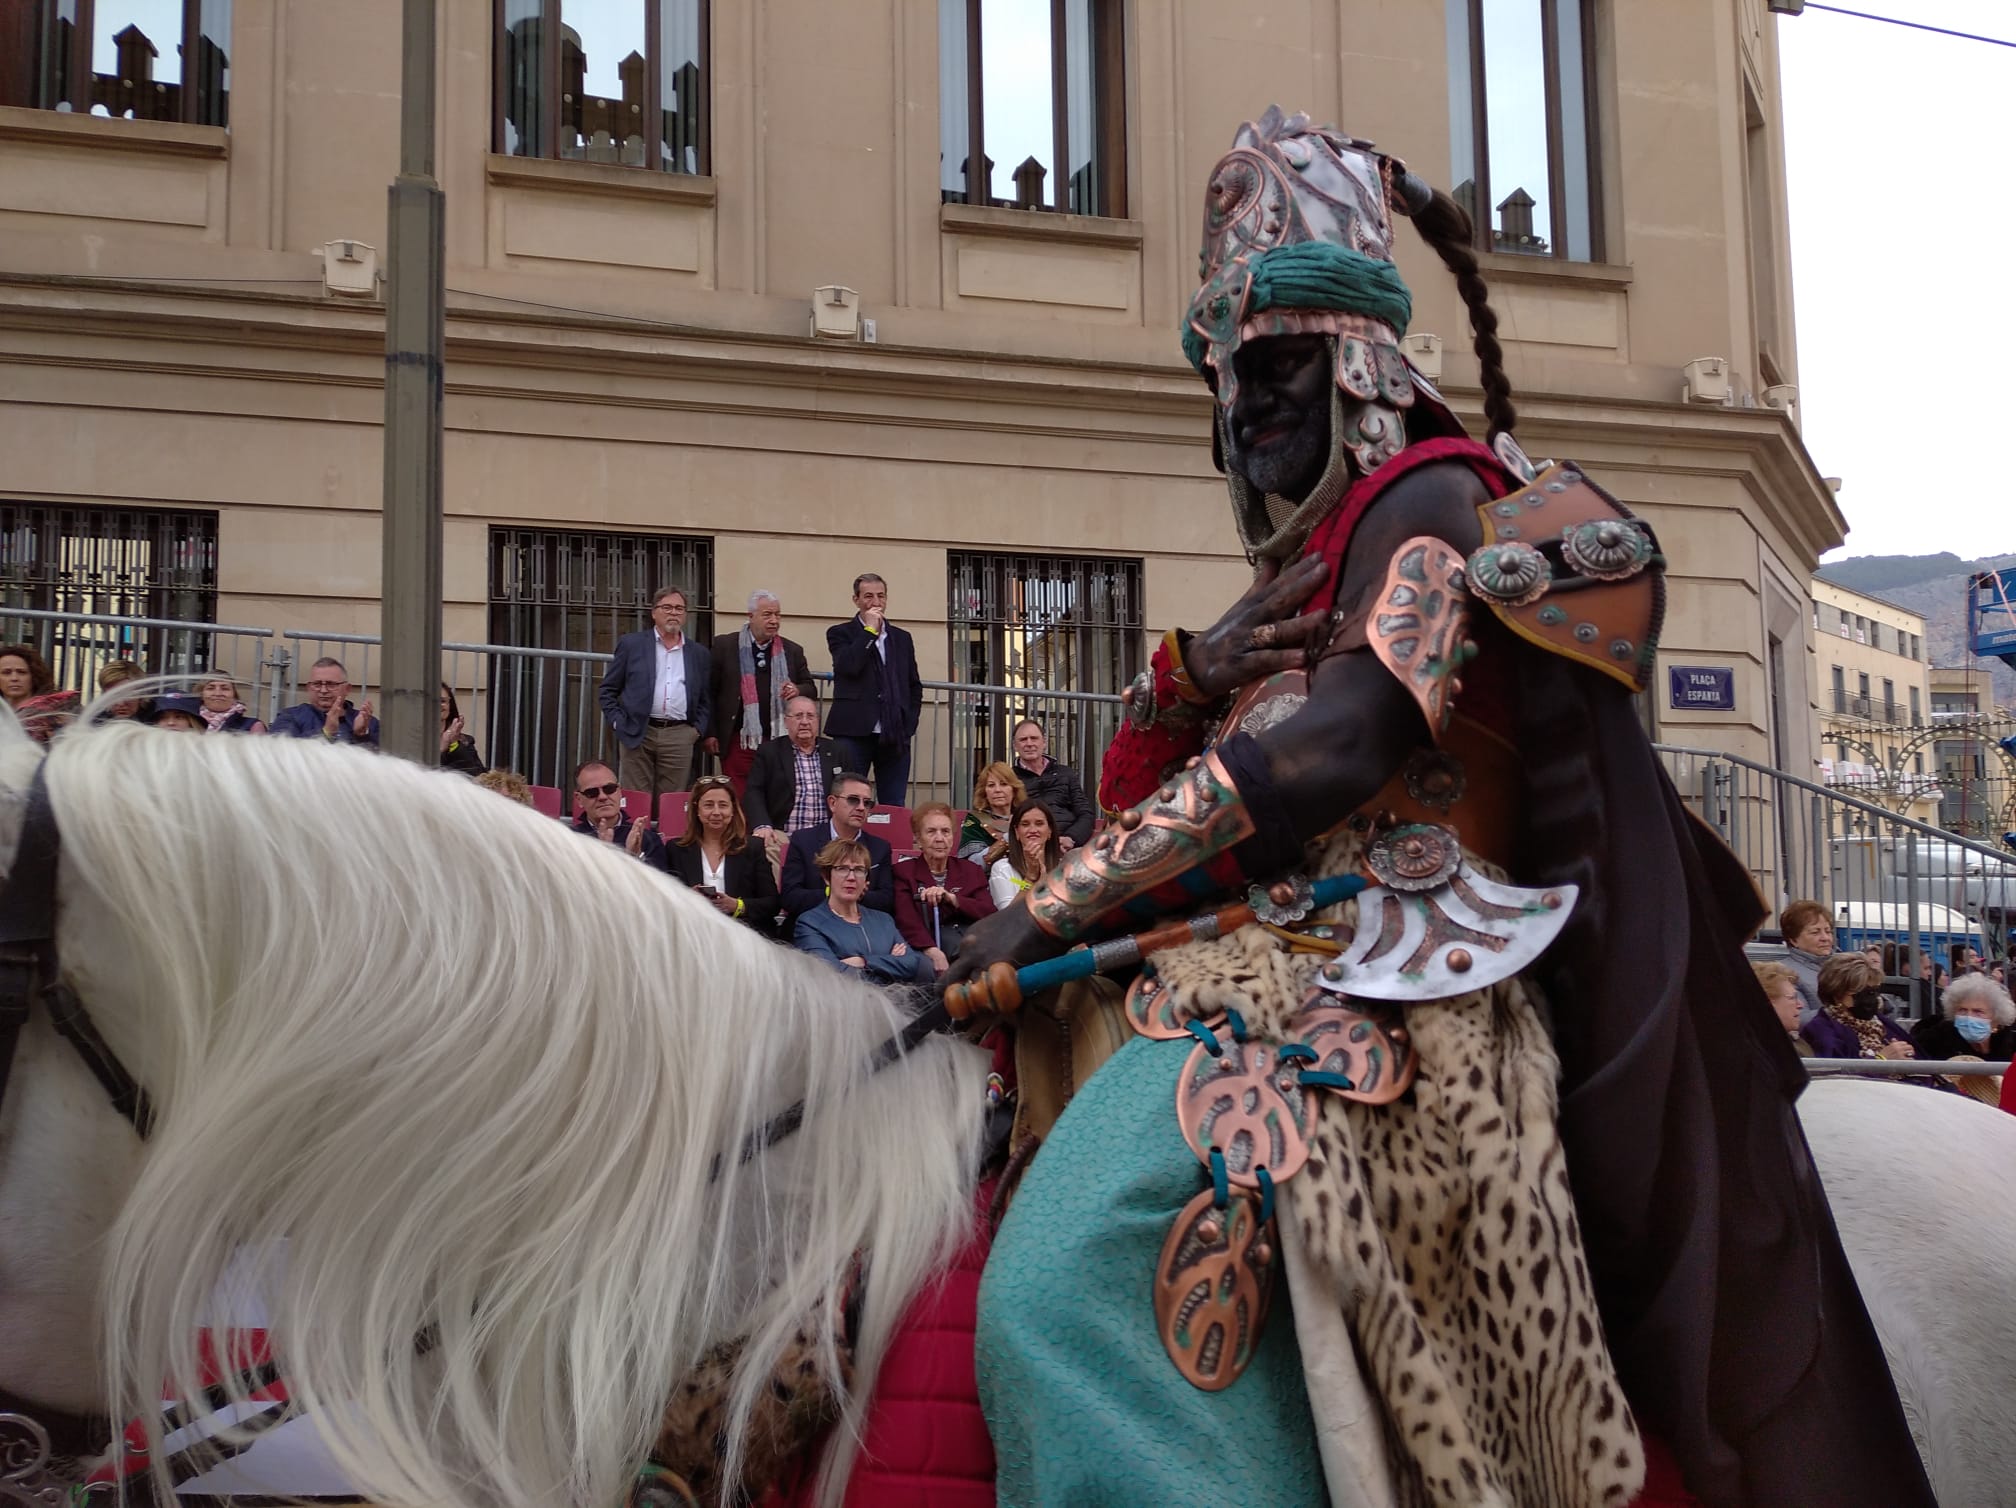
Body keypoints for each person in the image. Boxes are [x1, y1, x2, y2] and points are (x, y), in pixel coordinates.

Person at [948, 108, 1931, 1507]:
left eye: (1275, 365)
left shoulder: (1432, 503)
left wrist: (1038, 910)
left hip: (1398, 992)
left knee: (1063, 1290)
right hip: (1255, 963)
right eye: (1229, 379)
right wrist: (1186, 680)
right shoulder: (1323, 558)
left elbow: (1334, 752)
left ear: (1359, 359)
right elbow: (1182, 784)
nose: (1247, 407)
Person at [598, 586, 712, 802]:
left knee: (672, 801)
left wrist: (696, 730)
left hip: (679, 734)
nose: (674, 613)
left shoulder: (698, 653)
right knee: (636, 799)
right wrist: (617, 722)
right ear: (654, 612)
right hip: (638, 730)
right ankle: (637, 837)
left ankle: (667, 837)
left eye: (679, 608)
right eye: (667, 607)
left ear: (685, 615)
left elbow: (705, 697)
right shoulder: (632, 645)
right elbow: (608, 690)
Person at [706, 590, 816, 797]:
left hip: (778, 739)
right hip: (739, 739)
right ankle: (743, 831)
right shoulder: (726, 646)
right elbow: (710, 692)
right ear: (751, 616)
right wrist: (711, 732)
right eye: (767, 614)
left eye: (777, 614)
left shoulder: (792, 650)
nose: (774, 620)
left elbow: (810, 687)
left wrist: (797, 689)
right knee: (739, 796)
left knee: (774, 794)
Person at [824, 573, 921, 806]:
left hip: (894, 732)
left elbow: (913, 684)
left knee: (893, 802)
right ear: (856, 600)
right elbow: (849, 666)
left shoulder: (901, 638)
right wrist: (869, 631)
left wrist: (908, 723)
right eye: (868, 596)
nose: (875, 602)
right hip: (853, 732)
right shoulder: (840, 633)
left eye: (880, 596)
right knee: (850, 799)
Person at [792, 840, 932, 984]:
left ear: (866, 880)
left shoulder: (883, 920)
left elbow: (911, 963)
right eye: (842, 868)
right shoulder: (810, 923)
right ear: (827, 877)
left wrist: (863, 961)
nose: (851, 877)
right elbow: (832, 974)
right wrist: (890, 963)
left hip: (893, 1002)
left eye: (859, 870)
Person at [666, 775, 781, 933]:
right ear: (696, 809)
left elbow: (772, 903)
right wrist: (688, 898)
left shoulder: (752, 848)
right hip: (694, 934)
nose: (716, 812)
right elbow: (666, 903)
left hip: (743, 935)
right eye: (708, 805)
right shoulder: (676, 849)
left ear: (733, 809)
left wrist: (737, 906)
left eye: (723, 805)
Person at [892, 802, 996, 974]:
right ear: (918, 838)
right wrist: (931, 950)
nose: (939, 838)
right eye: (931, 831)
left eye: (945, 831)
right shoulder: (904, 872)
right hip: (926, 949)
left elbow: (988, 912)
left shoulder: (971, 870)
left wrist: (954, 899)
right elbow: (907, 920)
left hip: (972, 947)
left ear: (953, 837)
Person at [780, 771, 893, 919]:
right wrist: (834, 893)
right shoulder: (803, 840)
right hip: (811, 926)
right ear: (832, 803)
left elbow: (887, 901)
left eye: (867, 803)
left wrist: (857, 895)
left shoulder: (880, 848)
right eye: (853, 800)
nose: (861, 807)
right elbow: (790, 897)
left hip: (862, 929)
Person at [745, 695, 847, 848]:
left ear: (817, 720)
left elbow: (851, 790)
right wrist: (762, 825)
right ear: (786, 721)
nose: (805, 722)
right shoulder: (770, 752)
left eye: (810, 716)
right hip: (782, 835)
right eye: (798, 716)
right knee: (766, 847)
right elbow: (754, 791)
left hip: (829, 837)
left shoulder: (837, 751)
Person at [1802, 952, 1917, 1061]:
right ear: (1838, 993)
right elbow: (1838, 1075)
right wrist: (1881, 1060)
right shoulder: (1822, 1030)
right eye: (1865, 992)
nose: (1873, 999)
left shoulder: (1881, 1022)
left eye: (1875, 991)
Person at [1008, 718, 1095, 850]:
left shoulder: (1066, 773)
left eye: (1034, 738)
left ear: (1044, 742)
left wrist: (1071, 838)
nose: (1029, 743)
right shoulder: (1009, 778)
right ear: (1015, 745)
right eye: (1023, 739)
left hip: (1069, 845)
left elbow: (1085, 814)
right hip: (1028, 847)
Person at [568, 759, 667, 870]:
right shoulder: (568, 840)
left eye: (609, 789)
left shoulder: (648, 839)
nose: (602, 797)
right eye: (592, 792)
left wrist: (634, 857)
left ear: (619, 791)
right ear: (579, 799)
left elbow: (656, 886)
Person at [1910, 972, 2016, 1063]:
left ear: (1996, 1018)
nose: (1969, 1017)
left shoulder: (2009, 1043)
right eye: (1962, 1010)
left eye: (1978, 1011)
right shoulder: (1936, 1039)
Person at [270, 658, 379, 745]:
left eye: (331, 684)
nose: (323, 690)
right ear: (309, 687)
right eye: (317, 684)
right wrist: (326, 732)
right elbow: (279, 752)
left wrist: (361, 736)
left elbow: (383, 762)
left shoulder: (369, 722)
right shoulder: (290, 716)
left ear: (347, 689)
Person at [987, 799, 1061, 911]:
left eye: (1039, 823)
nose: (1033, 830)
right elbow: (1007, 915)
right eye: (1025, 824)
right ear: (1017, 832)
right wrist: (1030, 878)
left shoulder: (1064, 868)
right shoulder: (1002, 869)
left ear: (1050, 831)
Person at [0, 644, 77, 743]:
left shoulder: (54, 713)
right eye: (6, 673)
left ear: (34, 676)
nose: (14, 678)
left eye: (22, 672)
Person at [957, 761, 1024, 865]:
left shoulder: (1025, 818)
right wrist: (1006, 839)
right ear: (985, 792)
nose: (997, 790)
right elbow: (973, 865)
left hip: (1024, 879)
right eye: (991, 785)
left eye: (1004, 784)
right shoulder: (974, 820)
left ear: (1014, 789)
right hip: (989, 879)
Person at [1778, 899, 1833, 1024]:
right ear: (1793, 940)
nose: (1825, 938)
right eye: (1815, 932)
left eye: (1828, 931)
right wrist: (1842, 1010)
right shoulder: (1784, 972)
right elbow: (1799, 1020)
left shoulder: (1843, 964)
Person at [1751, 960, 1813, 1058]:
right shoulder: (1765, 1050)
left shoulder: (1796, 1041)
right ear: (1767, 1003)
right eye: (1792, 998)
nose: (1800, 1005)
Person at [438, 683, 486, 775]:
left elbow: (476, 775)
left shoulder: (465, 741)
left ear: (450, 705)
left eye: (442, 701)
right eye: (432, 700)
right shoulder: (411, 741)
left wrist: (454, 745)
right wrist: (441, 749)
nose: (438, 705)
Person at [196, 671, 266, 734]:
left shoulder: (253, 726)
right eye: (210, 688)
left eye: (225, 689)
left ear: (234, 695)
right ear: (201, 694)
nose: (218, 693)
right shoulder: (189, 722)